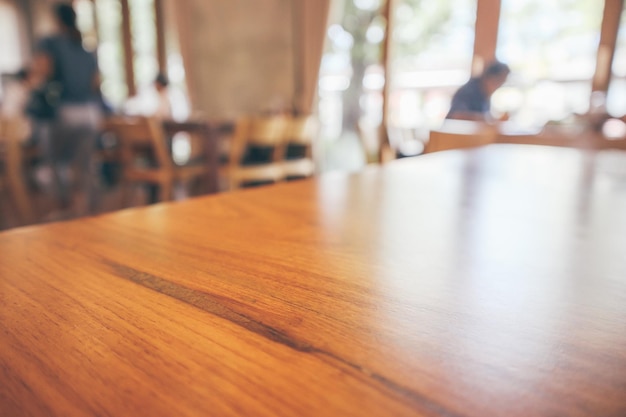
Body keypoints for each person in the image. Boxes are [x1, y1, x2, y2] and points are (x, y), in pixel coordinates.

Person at [33, 2, 103, 214]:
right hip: (90, 113)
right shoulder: (85, 49)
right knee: (85, 164)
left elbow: (42, 71)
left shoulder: (50, 42)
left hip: (65, 111)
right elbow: (95, 83)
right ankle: (89, 210)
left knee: (56, 162)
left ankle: (63, 208)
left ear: (56, 20)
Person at [446, 61, 510, 122]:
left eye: (502, 83)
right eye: (498, 81)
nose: (498, 86)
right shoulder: (469, 90)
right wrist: (490, 119)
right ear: (488, 77)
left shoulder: (485, 93)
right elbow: (458, 115)